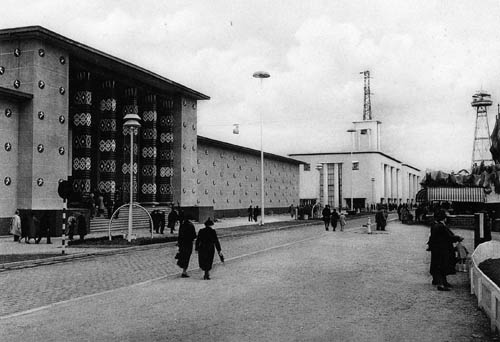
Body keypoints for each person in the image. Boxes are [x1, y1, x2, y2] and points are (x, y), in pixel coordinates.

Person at [428, 209, 462, 291]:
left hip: (437, 249)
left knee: (439, 266)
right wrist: (458, 238)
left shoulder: (435, 225)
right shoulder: (441, 226)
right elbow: (448, 237)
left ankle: (442, 281)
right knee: (442, 266)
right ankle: (441, 284)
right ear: (443, 218)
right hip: (443, 250)